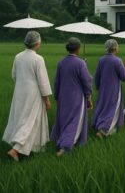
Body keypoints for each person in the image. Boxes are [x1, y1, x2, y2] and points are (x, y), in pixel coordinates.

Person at [3, 31, 52, 162]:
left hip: (19, 91)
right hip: (33, 94)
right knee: (31, 121)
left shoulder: (18, 56)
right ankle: (16, 150)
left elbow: (14, 75)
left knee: (20, 118)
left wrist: (22, 84)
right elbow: (43, 81)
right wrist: (46, 99)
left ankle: (25, 148)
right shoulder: (38, 59)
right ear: (37, 43)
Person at [51, 37, 93, 156]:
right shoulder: (80, 63)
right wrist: (89, 96)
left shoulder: (61, 62)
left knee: (64, 118)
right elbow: (86, 81)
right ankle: (65, 147)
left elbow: (56, 81)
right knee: (74, 120)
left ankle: (60, 139)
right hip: (77, 97)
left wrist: (56, 95)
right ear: (78, 49)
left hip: (63, 96)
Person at [92, 39, 125, 138]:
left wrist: (98, 86)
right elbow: (124, 77)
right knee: (112, 108)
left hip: (103, 88)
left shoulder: (102, 59)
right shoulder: (117, 60)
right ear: (115, 48)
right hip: (114, 89)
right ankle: (104, 130)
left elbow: (97, 75)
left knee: (103, 106)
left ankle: (100, 124)